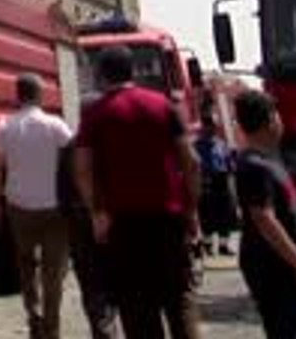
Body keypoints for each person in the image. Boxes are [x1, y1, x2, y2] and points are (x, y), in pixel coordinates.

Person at [75, 44, 205, 339]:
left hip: (123, 223)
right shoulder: (163, 105)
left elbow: (83, 168)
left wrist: (96, 212)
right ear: (132, 70)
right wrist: (191, 208)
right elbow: (192, 163)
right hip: (168, 217)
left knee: (136, 307)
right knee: (179, 299)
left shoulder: (95, 114)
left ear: (100, 75)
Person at [232, 89, 296, 338]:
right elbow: (264, 218)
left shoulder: (267, 161)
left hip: (282, 265)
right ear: (270, 120)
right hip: (275, 268)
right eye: (277, 114)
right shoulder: (254, 167)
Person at [0, 72, 76, 339]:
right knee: (54, 271)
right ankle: (51, 328)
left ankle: (34, 316)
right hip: (54, 209)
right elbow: (72, 160)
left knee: (26, 266)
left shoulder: (5, 125)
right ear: (39, 94)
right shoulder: (56, 125)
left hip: (19, 207)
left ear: (17, 95)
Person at [58, 136, 121, 339]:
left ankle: (104, 332)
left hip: (81, 226)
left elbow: (61, 194)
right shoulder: (113, 140)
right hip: (115, 219)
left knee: (93, 287)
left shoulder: (69, 147)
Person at [196, 115, 239, 257]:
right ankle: (208, 245)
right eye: (210, 125)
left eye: (214, 126)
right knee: (207, 215)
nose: (213, 128)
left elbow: (229, 163)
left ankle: (223, 246)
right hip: (206, 181)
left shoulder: (221, 144)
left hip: (222, 181)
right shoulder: (197, 145)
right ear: (204, 127)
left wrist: (231, 167)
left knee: (225, 214)